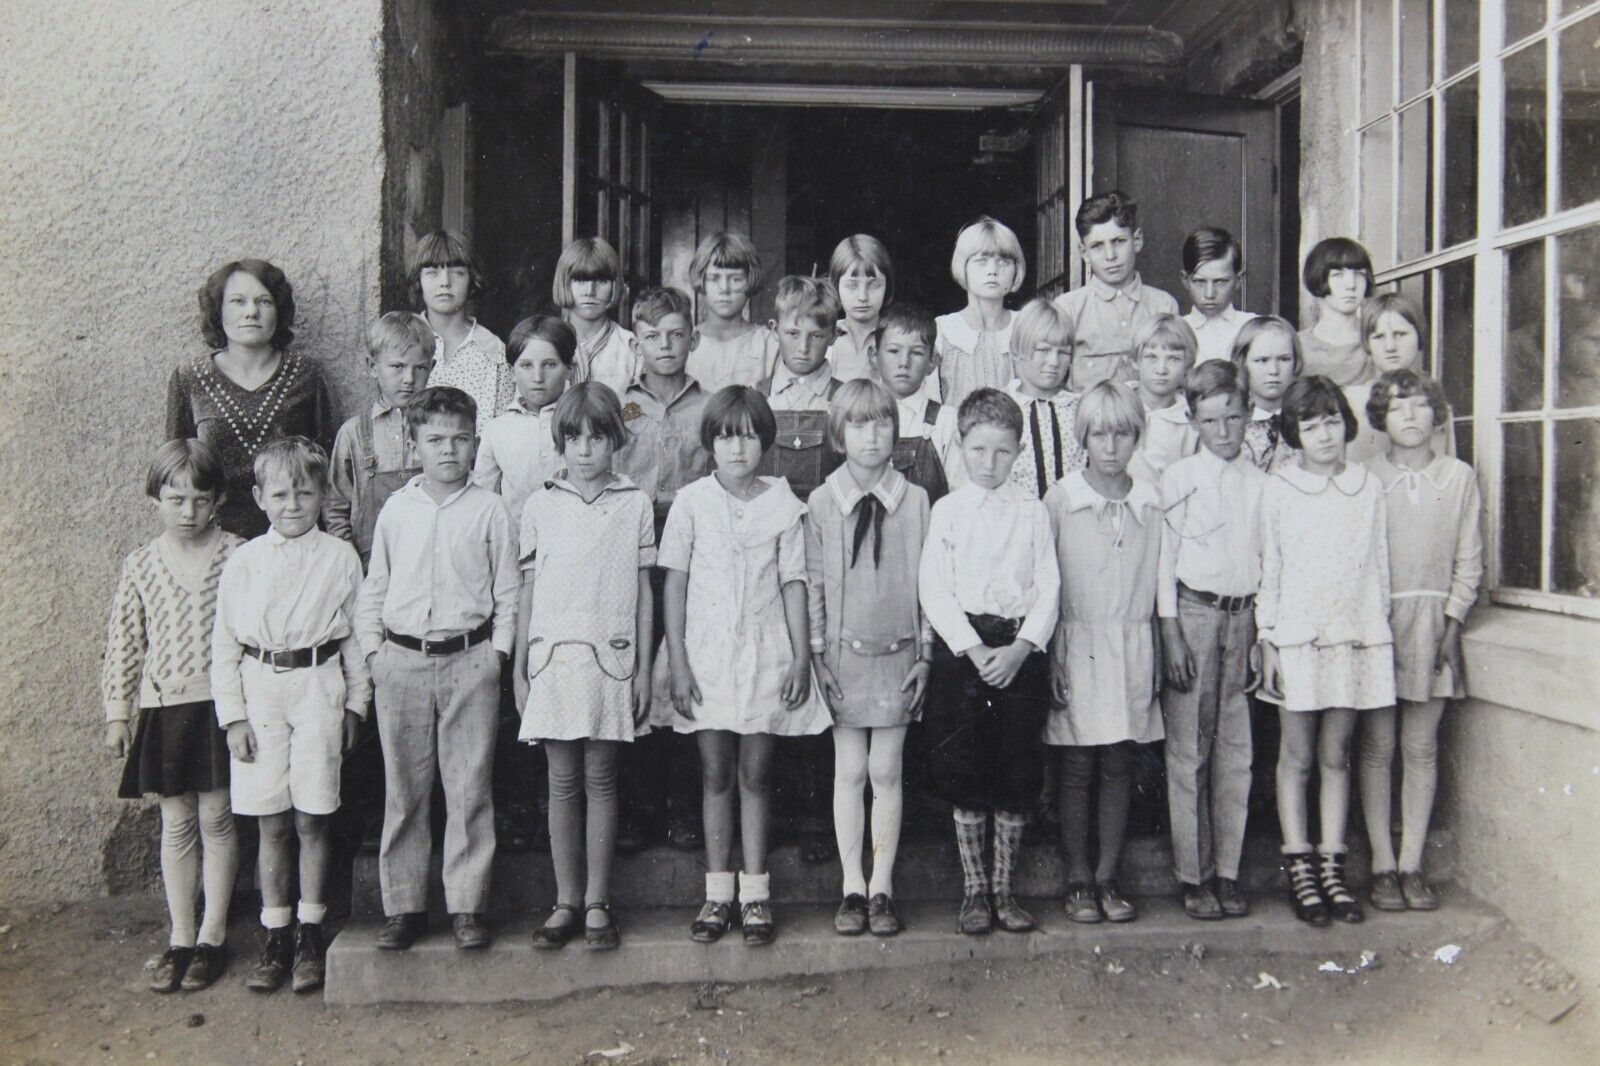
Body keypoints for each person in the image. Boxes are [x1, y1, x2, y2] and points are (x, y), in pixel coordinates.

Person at [662, 387, 827, 945]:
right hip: (706, 656)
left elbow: (794, 581)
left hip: (765, 653)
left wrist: (802, 654)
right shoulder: (690, 503)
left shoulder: (782, 502)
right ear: (710, 442)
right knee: (714, 773)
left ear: (765, 441)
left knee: (756, 774)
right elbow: (675, 585)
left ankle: (756, 896)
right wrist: (678, 663)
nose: (737, 449)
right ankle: (717, 895)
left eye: (749, 435)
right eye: (726, 437)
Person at [357, 387, 519, 952]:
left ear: (475, 444)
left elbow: (507, 591)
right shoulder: (397, 510)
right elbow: (375, 585)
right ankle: (404, 905)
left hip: (470, 660)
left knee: (469, 784)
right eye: (435, 440)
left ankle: (468, 905)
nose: (448, 451)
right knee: (405, 789)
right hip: (401, 662)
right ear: (414, 443)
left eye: (459, 439)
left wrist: (496, 654)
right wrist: (375, 653)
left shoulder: (490, 509)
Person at [211, 437, 367, 993]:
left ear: (323, 493)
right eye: (280, 494)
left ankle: (310, 932)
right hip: (261, 691)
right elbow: (225, 647)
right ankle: (274, 936)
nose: (293, 504)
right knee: (271, 821)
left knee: (314, 816)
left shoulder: (340, 557)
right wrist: (233, 717)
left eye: (305, 492)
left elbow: (356, 636)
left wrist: (356, 703)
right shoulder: (245, 562)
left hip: (319, 686)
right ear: (258, 497)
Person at [514, 383, 657, 950]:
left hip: (611, 659)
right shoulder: (540, 504)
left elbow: (644, 592)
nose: (585, 450)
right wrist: (521, 671)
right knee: (561, 782)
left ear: (615, 441)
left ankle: (597, 900)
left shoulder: (635, 503)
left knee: (601, 780)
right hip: (552, 659)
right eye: (574, 438)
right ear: (561, 443)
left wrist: (646, 668)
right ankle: (565, 900)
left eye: (598, 438)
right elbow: (527, 591)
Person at [103, 440, 243, 994]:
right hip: (165, 708)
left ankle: (213, 936)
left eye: (200, 499)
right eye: (175, 498)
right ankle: (180, 935)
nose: (188, 511)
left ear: (219, 500)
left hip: (220, 706)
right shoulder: (140, 564)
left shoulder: (237, 552)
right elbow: (123, 642)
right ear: (155, 499)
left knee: (218, 818)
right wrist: (118, 714)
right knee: (177, 822)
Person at [919, 388, 1059, 936]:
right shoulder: (948, 511)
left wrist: (1021, 648)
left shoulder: (1032, 511)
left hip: (1019, 653)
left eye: (1002, 452)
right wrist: (975, 651)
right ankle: (975, 890)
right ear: (961, 446)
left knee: (1015, 767)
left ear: (1019, 452)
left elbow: (1048, 587)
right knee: (966, 767)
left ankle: (1005, 889)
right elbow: (934, 588)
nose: (989, 463)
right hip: (966, 656)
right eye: (978, 450)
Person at [1257, 377, 1395, 927]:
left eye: (1332, 421)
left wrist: (1375, 630)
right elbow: (1273, 568)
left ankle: (1332, 864)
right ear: (1294, 433)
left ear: (1347, 424)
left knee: (1337, 754)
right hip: (1297, 635)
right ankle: (1300, 867)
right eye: (1310, 425)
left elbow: (1378, 568)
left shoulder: (1366, 487)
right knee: (1297, 754)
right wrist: (1267, 636)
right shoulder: (1280, 488)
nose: (1323, 435)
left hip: (1354, 635)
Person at [805, 380, 933, 938]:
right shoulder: (823, 501)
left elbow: (929, 582)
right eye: (858, 424)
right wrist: (817, 656)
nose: (872, 434)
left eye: (882, 422)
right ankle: (850, 887)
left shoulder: (916, 499)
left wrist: (927, 654)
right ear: (838, 434)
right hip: (842, 659)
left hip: (900, 658)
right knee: (850, 770)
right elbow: (813, 585)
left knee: (887, 770)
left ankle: (882, 885)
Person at [1359, 370, 1483, 912]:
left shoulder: (1458, 477)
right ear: (1380, 421)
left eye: (1419, 406)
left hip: (1433, 624)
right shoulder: (1365, 478)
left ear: (1438, 415)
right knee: (1377, 747)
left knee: (1421, 747)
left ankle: (1412, 865)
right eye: (1396, 408)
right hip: (1378, 621)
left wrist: (1453, 624)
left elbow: (1468, 558)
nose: (1409, 417)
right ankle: (1382, 865)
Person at [1043, 381, 1163, 926]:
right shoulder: (1062, 499)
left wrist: (1160, 646)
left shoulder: (1150, 499)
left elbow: (1160, 580)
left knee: (1119, 759)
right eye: (1099, 434)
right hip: (1077, 643)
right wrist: (1051, 656)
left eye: (1122, 433)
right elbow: (1045, 583)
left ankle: (1109, 875)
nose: (1111, 445)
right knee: (1076, 763)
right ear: (1083, 437)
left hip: (1131, 641)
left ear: (1137, 436)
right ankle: (1077, 877)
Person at [1157, 360, 1268, 921]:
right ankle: (1192, 874)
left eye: (1232, 417)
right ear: (1193, 421)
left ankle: (1227, 871)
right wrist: (1171, 633)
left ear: (1248, 415)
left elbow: (1268, 563)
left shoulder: (1262, 484)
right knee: (1188, 751)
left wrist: (1260, 635)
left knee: (1235, 753)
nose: (1224, 430)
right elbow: (1164, 565)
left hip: (1242, 619)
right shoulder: (1179, 481)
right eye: (1210, 420)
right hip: (1194, 616)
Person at [617, 287, 713, 851]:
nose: (666, 346)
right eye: (653, 336)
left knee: (680, 670)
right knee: (633, 669)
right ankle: (638, 811)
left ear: (693, 338)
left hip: (692, 549)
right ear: (636, 342)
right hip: (633, 543)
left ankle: (684, 809)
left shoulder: (710, 403)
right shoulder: (618, 402)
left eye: (677, 334)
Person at [166, 258, 336, 538]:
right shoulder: (190, 378)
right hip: (215, 540)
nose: (251, 312)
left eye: (264, 302)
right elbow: (175, 471)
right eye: (237, 301)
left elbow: (327, 468)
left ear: (279, 311)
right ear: (218, 311)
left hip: (293, 536)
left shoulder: (307, 374)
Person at [326, 312, 435, 565]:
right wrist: (350, 562)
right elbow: (335, 508)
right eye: (397, 367)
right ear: (373, 367)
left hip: (431, 560)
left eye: (420, 368)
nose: (409, 379)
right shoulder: (353, 433)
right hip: (371, 565)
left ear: (432, 367)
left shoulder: (438, 430)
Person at [1053, 190, 1181, 392]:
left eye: (1118, 242)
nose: (1110, 255)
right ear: (1084, 252)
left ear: (1137, 240)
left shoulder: (1163, 305)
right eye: (1097, 246)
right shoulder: (1067, 309)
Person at [473, 314, 576, 524]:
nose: (538, 377)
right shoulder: (497, 430)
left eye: (549, 365)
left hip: (575, 541)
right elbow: (483, 498)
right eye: (526, 365)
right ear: (512, 372)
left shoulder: (584, 421)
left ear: (569, 370)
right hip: (518, 545)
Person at [410, 230, 513, 432]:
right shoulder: (402, 342)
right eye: (432, 272)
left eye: (457, 272)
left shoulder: (495, 352)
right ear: (418, 280)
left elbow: (502, 432)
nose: (445, 282)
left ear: (472, 279)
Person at [760, 275, 845, 500]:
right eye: (793, 334)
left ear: (833, 335)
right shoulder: (757, 398)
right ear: (774, 329)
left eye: (816, 336)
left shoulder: (845, 399)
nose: (803, 348)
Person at [1345, 294, 1455, 465]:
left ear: (1419, 335)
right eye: (1379, 337)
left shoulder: (1434, 401)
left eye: (1400, 334)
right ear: (1367, 343)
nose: (1390, 347)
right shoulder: (1349, 401)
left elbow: (1446, 470)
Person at [869, 303, 962, 501]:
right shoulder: (858, 416)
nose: (904, 362)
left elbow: (958, 499)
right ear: (874, 357)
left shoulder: (947, 422)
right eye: (894, 351)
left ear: (932, 362)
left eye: (917, 353)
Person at [936, 216, 1026, 409]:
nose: (993, 270)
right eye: (981, 261)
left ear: (1016, 270)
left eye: (1004, 261)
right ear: (963, 266)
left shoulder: (1025, 325)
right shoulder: (943, 331)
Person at [1005, 297, 1087, 499]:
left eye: (1063, 353)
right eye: (1043, 350)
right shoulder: (1000, 409)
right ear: (1016, 351)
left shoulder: (1082, 409)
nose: (1053, 362)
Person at [687, 232, 779, 393]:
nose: (725, 289)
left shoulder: (769, 344)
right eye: (714, 278)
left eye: (736, 279)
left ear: (750, 280)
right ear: (701, 280)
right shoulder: (684, 343)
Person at [553, 237, 636, 396]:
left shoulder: (632, 348)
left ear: (615, 286)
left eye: (602, 281)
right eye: (580, 280)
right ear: (564, 284)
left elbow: (643, 407)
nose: (590, 291)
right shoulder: (546, 344)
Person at [1127, 314, 1200, 483]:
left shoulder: (1191, 421)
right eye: (1152, 357)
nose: (1161, 369)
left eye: (1173, 359)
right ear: (1135, 361)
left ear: (1188, 367)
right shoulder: (1116, 405)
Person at [1298, 237, 1376, 387]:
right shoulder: (1297, 346)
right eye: (1338, 275)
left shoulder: (1378, 341)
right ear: (1318, 278)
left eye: (1359, 274)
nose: (1351, 285)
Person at [1231, 316, 1302, 474]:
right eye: (1262, 361)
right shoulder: (1231, 422)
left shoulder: (1307, 418)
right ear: (1243, 362)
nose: (1274, 371)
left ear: (1295, 362)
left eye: (1284, 359)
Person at [1180, 226, 1257, 364]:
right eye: (1199, 281)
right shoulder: (1177, 331)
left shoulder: (1254, 327)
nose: (1209, 294)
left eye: (1220, 281)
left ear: (1239, 280)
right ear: (1185, 280)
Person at [826, 234, 893, 382]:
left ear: (887, 286)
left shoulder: (899, 337)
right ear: (836, 286)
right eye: (852, 285)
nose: (863, 296)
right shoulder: (822, 339)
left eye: (874, 284)